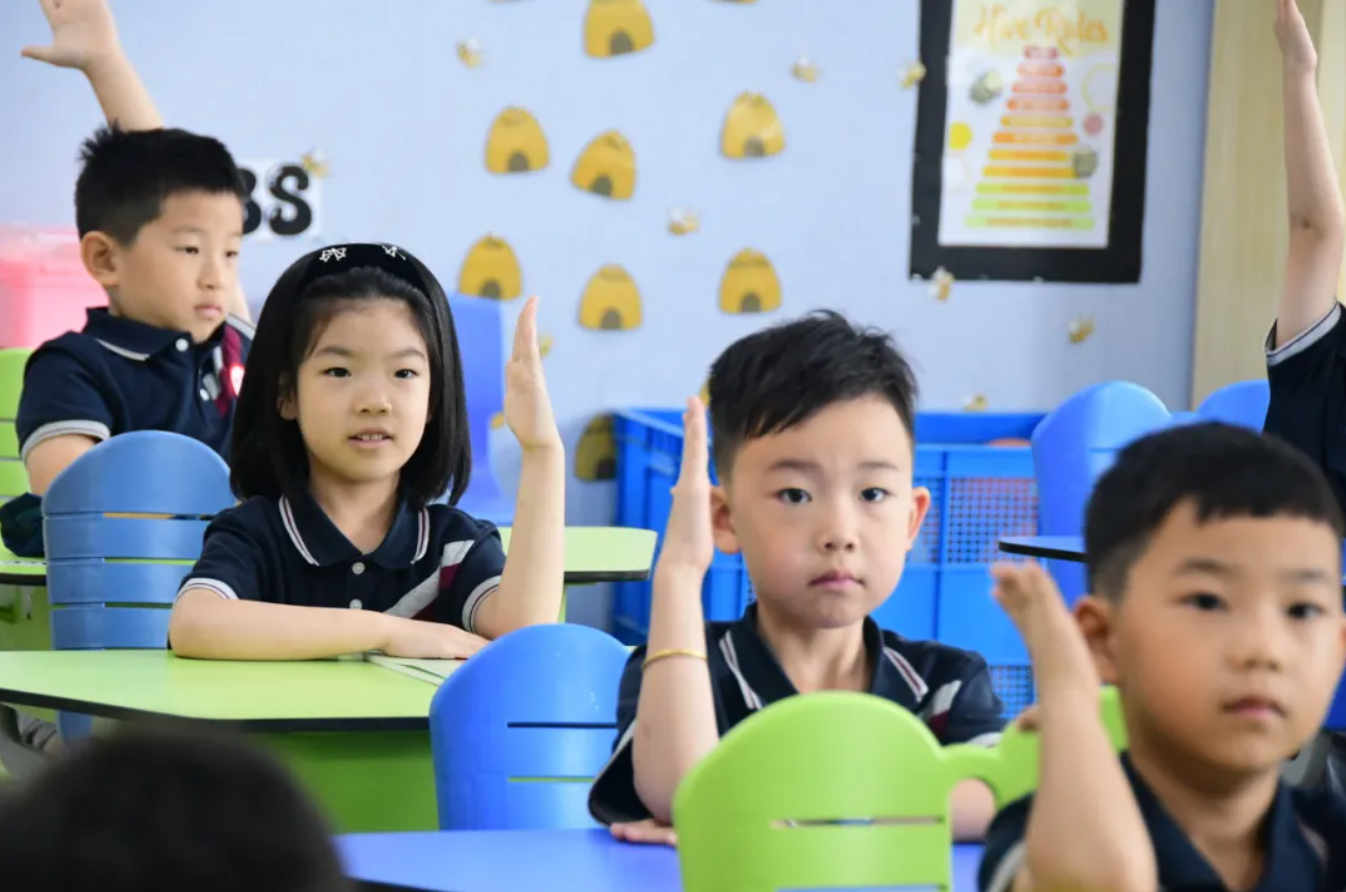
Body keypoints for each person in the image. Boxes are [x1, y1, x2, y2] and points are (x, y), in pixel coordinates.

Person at [589, 312, 1005, 844]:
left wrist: (769, 816)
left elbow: (999, 799)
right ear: (724, 519)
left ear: (911, 519)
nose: (839, 533)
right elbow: (681, 795)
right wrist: (679, 574)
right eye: (795, 494)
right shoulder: (682, 669)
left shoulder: (946, 685)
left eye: (872, 493)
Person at [979, 422, 1346, 891]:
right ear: (1103, 640)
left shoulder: (1328, 840)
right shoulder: (1045, 831)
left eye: (1302, 609)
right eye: (1208, 602)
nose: (1264, 650)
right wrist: (1068, 695)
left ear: (1338, 648)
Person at [170, 243, 565, 659]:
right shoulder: (257, 534)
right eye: (339, 371)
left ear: (433, 399)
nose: (375, 401)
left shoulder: (453, 547)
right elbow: (194, 624)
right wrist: (385, 633)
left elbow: (521, 634)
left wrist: (543, 451)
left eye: (404, 372)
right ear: (287, 395)